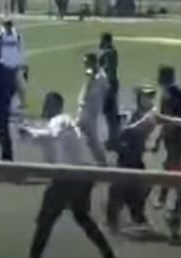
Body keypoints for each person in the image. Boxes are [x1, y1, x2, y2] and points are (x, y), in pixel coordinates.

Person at [19, 92, 116, 258]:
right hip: (84, 174)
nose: (45, 107)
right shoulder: (64, 122)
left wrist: (30, 132)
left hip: (69, 176)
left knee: (46, 220)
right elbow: (48, 137)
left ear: (55, 106)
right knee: (81, 216)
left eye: (48, 103)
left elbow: (53, 135)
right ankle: (108, 254)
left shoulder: (59, 120)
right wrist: (30, 132)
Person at [106, 86, 157, 233]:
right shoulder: (132, 115)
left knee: (139, 188)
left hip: (136, 159)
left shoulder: (148, 115)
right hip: (127, 159)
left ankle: (134, 216)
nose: (150, 100)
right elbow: (123, 133)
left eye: (151, 97)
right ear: (139, 99)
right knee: (120, 190)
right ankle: (118, 221)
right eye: (146, 97)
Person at [153, 65, 181, 241]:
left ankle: (179, 200)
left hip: (175, 137)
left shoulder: (169, 95)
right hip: (178, 136)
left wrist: (158, 139)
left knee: (174, 167)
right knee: (169, 165)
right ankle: (165, 196)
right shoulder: (176, 93)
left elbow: (167, 120)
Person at [77, 53, 109, 166]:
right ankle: (76, 159)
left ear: (93, 62)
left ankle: (103, 163)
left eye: (86, 62)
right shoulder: (94, 75)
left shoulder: (100, 77)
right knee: (76, 134)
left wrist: (91, 78)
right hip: (85, 111)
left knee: (93, 141)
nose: (85, 65)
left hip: (91, 113)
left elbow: (101, 92)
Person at [0, 19, 26, 109]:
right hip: (4, 65)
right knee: (3, 86)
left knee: (20, 86)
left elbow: (22, 50)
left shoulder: (17, 37)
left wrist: (22, 63)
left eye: (8, 26)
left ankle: (22, 103)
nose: (7, 28)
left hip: (15, 65)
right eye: (5, 26)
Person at [98, 33, 121, 149]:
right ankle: (113, 138)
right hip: (111, 84)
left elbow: (107, 69)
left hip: (109, 85)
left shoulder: (109, 53)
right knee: (110, 114)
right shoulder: (111, 52)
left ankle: (114, 140)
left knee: (110, 115)